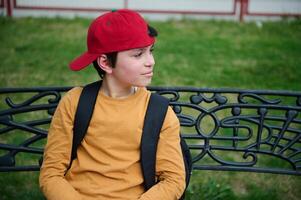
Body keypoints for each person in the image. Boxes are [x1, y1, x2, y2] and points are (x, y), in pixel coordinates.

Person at [39, 9, 185, 200]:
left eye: (151, 51)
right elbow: (51, 174)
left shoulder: (159, 112)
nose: (151, 61)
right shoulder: (75, 102)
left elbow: (173, 180)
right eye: (138, 54)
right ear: (105, 63)